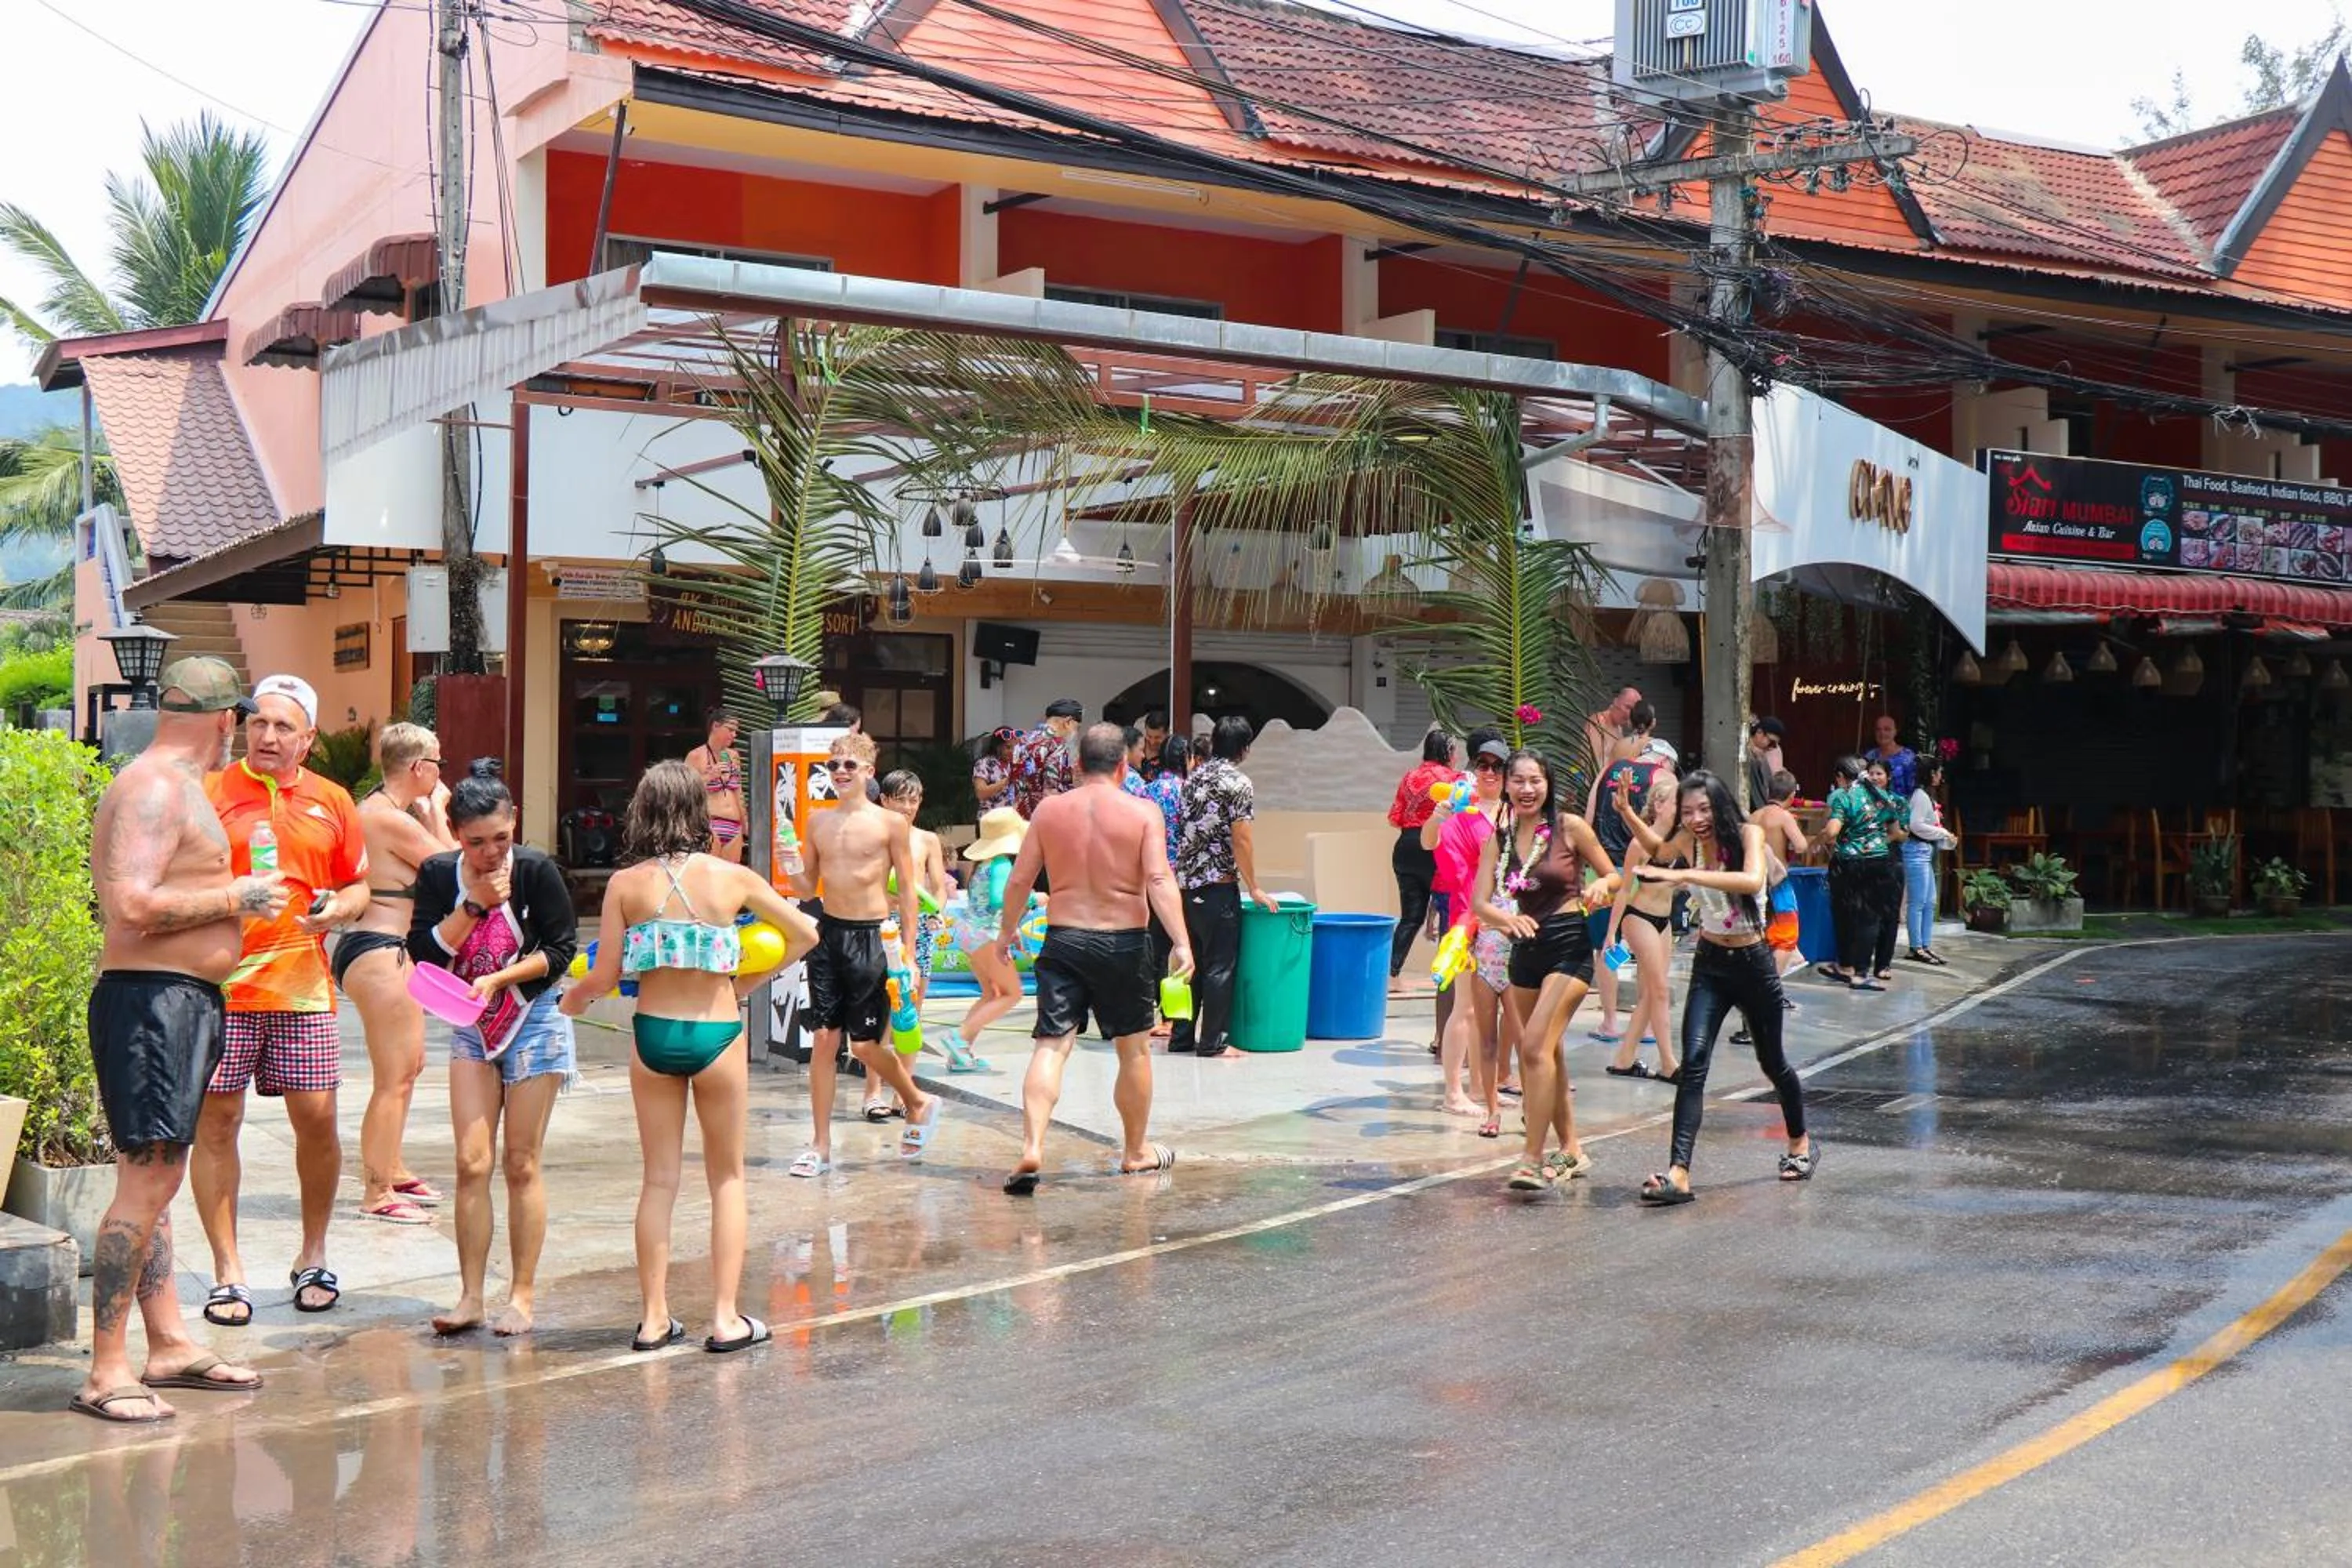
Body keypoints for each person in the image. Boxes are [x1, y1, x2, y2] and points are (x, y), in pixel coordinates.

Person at [74, 658, 277, 1423]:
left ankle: (165, 1342)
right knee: (144, 1183)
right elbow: (129, 903)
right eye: (243, 721)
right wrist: (239, 895)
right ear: (224, 718)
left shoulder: (178, 784)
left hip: (175, 1002)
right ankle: (106, 1369)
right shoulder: (156, 786)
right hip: (150, 1004)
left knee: (156, 1181)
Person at [563, 760, 818, 1354]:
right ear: (701, 813)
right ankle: (726, 1319)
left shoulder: (626, 885)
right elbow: (806, 932)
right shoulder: (731, 879)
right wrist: (749, 983)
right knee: (727, 1179)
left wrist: (570, 1001)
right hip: (717, 1034)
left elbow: (602, 975)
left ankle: (654, 1319)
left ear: (643, 812)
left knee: (658, 1181)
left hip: (653, 1037)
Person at [195, 674, 371, 1323]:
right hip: (219, 988)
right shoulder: (209, 792)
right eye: (258, 722)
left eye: (283, 727)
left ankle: (313, 1253)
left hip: (302, 988)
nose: (267, 735)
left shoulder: (334, 800)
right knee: (216, 1124)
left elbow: (358, 886)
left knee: (318, 1120)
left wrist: (339, 909)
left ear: (309, 739)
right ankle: (228, 1272)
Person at [408, 762, 578, 1338]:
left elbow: (561, 951)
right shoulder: (437, 876)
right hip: (471, 1028)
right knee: (470, 1161)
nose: (490, 852)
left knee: (521, 1162)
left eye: (500, 839)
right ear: (455, 833)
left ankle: (522, 1296)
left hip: (535, 1021)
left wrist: (502, 979)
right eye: (476, 842)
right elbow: (425, 955)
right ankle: (471, 1296)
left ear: (515, 824)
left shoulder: (535, 870)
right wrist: (474, 903)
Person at [997, 724, 1193, 1193]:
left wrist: (1006, 933)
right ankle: (1136, 1152)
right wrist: (1182, 941)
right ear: (1124, 765)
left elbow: (1021, 880)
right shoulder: (1143, 812)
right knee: (1133, 1048)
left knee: (1051, 1044)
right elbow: (1160, 880)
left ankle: (1033, 1146)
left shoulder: (1048, 810)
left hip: (1064, 940)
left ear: (1077, 765)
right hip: (1123, 942)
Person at [1628, 772, 1813, 1204]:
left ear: (1721, 805)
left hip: (1753, 963)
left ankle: (1800, 1142)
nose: (1696, 820)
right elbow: (1656, 850)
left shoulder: (1749, 834)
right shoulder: (1688, 843)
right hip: (1710, 965)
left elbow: (1750, 881)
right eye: (1688, 812)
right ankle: (1679, 1173)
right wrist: (1626, 815)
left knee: (1773, 1062)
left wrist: (1686, 876)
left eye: (1703, 809)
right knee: (1693, 1063)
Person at [787, 731, 934, 1174]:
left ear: (869, 772)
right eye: (833, 766)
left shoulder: (891, 824)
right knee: (824, 1041)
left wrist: (907, 950)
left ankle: (915, 1100)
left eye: (849, 765)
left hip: (873, 937)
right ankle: (820, 1145)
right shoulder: (817, 822)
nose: (840, 773)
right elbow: (805, 887)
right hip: (829, 936)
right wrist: (791, 862)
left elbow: (908, 890)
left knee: (866, 1046)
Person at [1475, 749, 1615, 1192]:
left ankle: (1531, 1158)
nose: (1527, 789)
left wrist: (1599, 887)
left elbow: (1617, 876)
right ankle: (1572, 1147)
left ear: (1548, 783)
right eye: (1518, 780)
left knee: (1533, 1047)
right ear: (1506, 785)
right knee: (1546, 1052)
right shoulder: (1497, 839)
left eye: (1535, 780)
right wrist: (1504, 919)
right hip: (1524, 950)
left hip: (1569, 944)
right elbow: (1479, 902)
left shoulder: (1569, 828)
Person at [343, 723, 456, 1226]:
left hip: (383, 949)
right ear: (418, 768)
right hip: (379, 948)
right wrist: (441, 814)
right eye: (439, 763)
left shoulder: (383, 809)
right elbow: (456, 868)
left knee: (409, 1069)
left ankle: (391, 1166)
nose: (440, 772)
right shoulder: (388, 818)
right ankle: (376, 1191)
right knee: (394, 1077)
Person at [1423, 731, 1512, 1128]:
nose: (1489, 772)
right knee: (1466, 1007)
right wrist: (1438, 815)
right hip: (1467, 918)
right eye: (1483, 765)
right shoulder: (1463, 812)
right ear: (1473, 770)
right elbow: (1429, 842)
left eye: (1497, 766)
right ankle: (1452, 1093)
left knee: (1489, 1011)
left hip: (1502, 921)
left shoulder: (1511, 814)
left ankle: (1480, 1086)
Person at [1170, 717, 1273, 1058]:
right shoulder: (1238, 783)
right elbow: (1241, 838)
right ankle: (1213, 1042)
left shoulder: (1193, 776)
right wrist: (1254, 886)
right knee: (1218, 965)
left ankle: (1181, 1036)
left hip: (1185, 886)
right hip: (1217, 886)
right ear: (1245, 748)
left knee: (1190, 963)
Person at [1590, 705, 1678, 1078]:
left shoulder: (1610, 770)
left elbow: (1591, 812)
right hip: (1635, 890)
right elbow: (1629, 885)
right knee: (1654, 983)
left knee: (1627, 967)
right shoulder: (1660, 779)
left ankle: (1615, 1032)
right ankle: (1669, 1062)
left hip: (1605, 864)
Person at [869, 768, 953, 1114]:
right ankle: (872, 1093)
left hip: (917, 932)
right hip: (879, 928)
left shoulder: (927, 840)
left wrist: (936, 911)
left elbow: (939, 887)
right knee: (877, 1011)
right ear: (884, 800)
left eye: (913, 800)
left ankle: (904, 1091)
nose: (906, 806)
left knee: (911, 1013)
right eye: (899, 799)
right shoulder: (873, 836)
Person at [942, 807, 1031, 1072]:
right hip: (985, 936)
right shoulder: (1003, 864)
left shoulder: (985, 865)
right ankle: (958, 1039)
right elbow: (998, 900)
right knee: (1012, 993)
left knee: (991, 993)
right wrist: (1033, 900)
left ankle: (960, 1054)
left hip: (969, 933)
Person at [1733, 768, 1813, 1045]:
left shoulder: (1754, 816)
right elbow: (1802, 846)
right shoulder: (1783, 815)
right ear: (1791, 796)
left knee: (1765, 943)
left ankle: (1765, 993)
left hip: (1756, 886)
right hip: (1778, 884)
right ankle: (1766, 993)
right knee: (1786, 942)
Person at [1386, 728, 1459, 994]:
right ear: (1449, 752)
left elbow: (1395, 817)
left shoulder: (1409, 777)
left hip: (1405, 848)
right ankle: (1446, 974)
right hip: (1435, 847)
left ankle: (1391, 975)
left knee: (1410, 917)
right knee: (1446, 911)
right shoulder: (1455, 779)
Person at [1819, 755, 1894, 992]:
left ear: (1841, 777)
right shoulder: (1880, 796)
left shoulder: (1843, 795)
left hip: (1848, 863)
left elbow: (1832, 831)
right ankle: (1862, 973)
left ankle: (1846, 967)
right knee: (1870, 917)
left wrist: (1817, 840)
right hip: (1879, 860)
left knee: (1845, 915)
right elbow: (1896, 829)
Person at [1140, 735, 1191, 1032]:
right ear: (1186, 758)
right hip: (1180, 879)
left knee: (1153, 946)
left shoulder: (1150, 791)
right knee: (1179, 946)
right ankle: (1174, 1016)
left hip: (1151, 874)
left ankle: (1153, 1015)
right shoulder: (1189, 791)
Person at [1904, 757, 1958, 966]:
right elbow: (1915, 825)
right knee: (1918, 902)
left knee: (1929, 902)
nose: (1940, 776)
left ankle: (1924, 944)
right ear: (1930, 774)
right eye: (1938, 772)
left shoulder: (1926, 796)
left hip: (1925, 851)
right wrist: (1943, 832)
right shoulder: (1920, 796)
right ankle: (1916, 946)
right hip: (1916, 851)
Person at [686, 708, 747, 863]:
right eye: (731, 730)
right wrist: (708, 777)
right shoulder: (696, 756)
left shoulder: (734, 756)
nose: (734, 735)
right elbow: (685, 791)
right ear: (716, 726)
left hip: (735, 825)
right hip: (711, 823)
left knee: (732, 875)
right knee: (711, 875)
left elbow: (738, 792)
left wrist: (746, 823)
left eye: (736, 731)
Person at [1011, 699, 1083, 820]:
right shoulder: (1058, 746)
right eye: (1077, 728)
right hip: (1043, 820)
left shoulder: (1022, 742)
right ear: (1068, 722)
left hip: (1018, 817)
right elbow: (1051, 792)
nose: (1075, 733)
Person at [1584, 685, 1641, 784]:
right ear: (1615, 702)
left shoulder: (1619, 729)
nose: (1629, 714)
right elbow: (1591, 762)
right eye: (1627, 707)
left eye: (1633, 711)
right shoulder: (1599, 722)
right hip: (1592, 784)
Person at [1871, 714, 1918, 800]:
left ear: (1895, 731)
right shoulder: (1870, 756)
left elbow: (1914, 791)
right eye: (1878, 730)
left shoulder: (1908, 757)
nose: (1882, 733)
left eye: (1887, 729)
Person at [972, 728, 1016, 822]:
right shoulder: (984, 763)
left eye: (1014, 748)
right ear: (998, 747)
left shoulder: (1015, 765)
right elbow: (981, 793)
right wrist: (1006, 781)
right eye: (1008, 748)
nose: (1012, 751)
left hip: (1012, 821)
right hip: (989, 821)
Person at [1745, 717, 1787, 811]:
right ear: (1759, 732)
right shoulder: (1751, 759)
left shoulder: (1760, 757)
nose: (1771, 748)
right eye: (1771, 742)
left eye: (1774, 745)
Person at [1139, 710, 1171, 777]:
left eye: (1157, 737)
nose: (1152, 742)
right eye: (1149, 736)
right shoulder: (1138, 747)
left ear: (1167, 733)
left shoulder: (1171, 752)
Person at [1121, 726, 1150, 794]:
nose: (1143, 756)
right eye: (1141, 750)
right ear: (1127, 750)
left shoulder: (1109, 773)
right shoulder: (1130, 778)